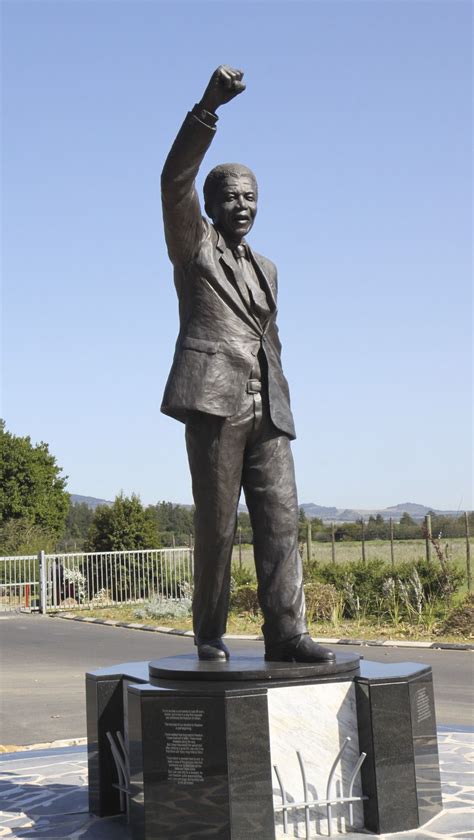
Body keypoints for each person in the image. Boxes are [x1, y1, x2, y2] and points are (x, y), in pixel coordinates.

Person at [161, 66, 334, 664]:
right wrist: (209, 106)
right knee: (217, 528)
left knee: (282, 521)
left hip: (269, 406)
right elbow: (173, 177)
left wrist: (277, 400)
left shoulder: (270, 267)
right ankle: (209, 634)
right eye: (232, 195)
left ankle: (285, 633)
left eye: (251, 196)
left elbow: (270, 336)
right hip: (214, 401)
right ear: (209, 204)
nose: (243, 205)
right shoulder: (194, 246)